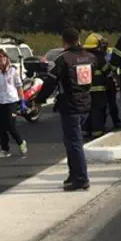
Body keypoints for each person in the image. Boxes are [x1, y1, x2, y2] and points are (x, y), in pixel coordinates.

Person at [36, 28, 97, 191]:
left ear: (64, 41)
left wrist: (39, 100)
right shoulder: (90, 57)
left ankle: (81, 178)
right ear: (78, 39)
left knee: (74, 142)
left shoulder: (63, 59)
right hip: (86, 104)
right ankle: (73, 173)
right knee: (71, 141)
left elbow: (50, 82)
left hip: (70, 105)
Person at [0, 49, 28, 158]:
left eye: (3, 56)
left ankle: (21, 143)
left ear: (7, 58)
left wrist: (22, 101)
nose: (1, 59)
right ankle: (5, 149)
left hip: (11, 100)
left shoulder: (13, 71)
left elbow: (19, 86)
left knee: (11, 125)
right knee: (0, 127)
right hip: (0, 101)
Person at [82, 33, 110, 139]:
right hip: (98, 90)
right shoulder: (99, 57)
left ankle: (85, 131)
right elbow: (107, 71)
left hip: (84, 90)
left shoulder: (82, 56)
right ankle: (97, 132)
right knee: (97, 110)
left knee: (86, 110)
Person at [103, 41, 121, 128]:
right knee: (111, 103)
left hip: (107, 81)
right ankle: (116, 121)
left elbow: (114, 70)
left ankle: (102, 124)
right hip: (109, 81)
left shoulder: (99, 55)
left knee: (108, 103)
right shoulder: (110, 53)